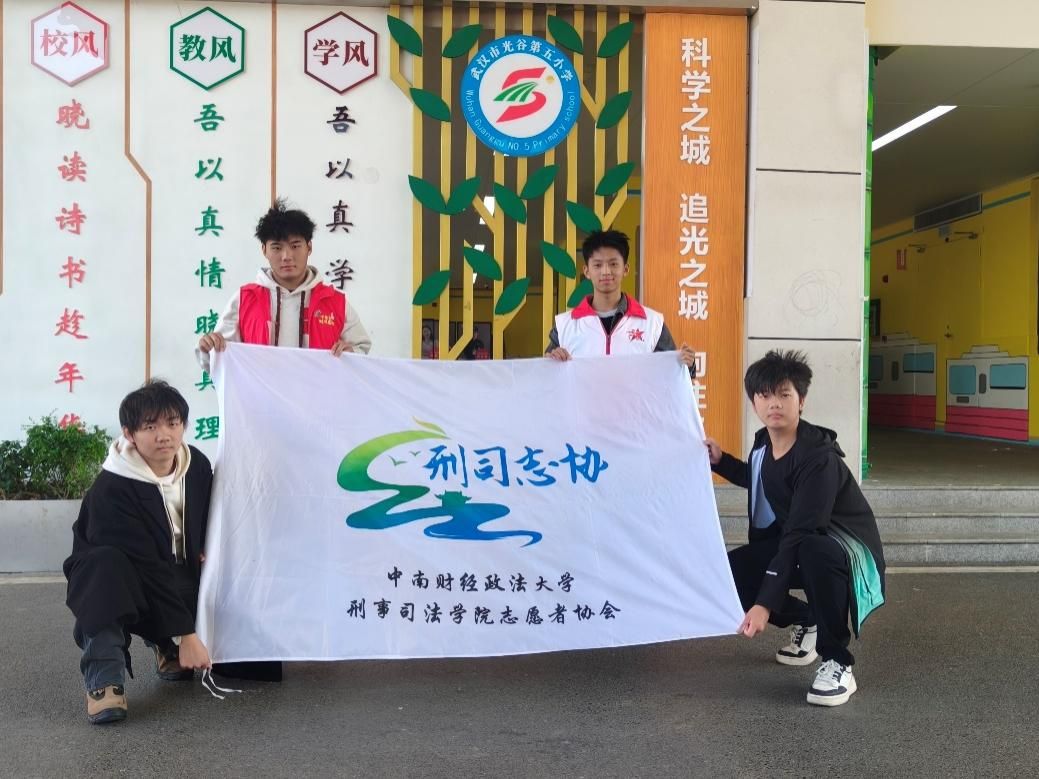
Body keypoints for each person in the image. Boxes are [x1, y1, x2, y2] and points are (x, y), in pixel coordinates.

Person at [706, 350, 885, 707]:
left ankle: (838, 661)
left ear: (801, 401)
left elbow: (803, 532)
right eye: (765, 395)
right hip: (798, 542)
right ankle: (808, 620)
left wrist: (764, 604)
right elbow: (761, 478)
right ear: (754, 403)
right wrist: (721, 461)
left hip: (842, 551)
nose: (774, 403)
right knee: (733, 574)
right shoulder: (764, 442)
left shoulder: (818, 458)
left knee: (813, 550)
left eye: (784, 394)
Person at [63, 381, 213, 724]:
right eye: (150, 427)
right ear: (129, 434)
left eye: (173, 423)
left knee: (210, 572)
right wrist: (187, 634)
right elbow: (147, 566)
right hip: (121, 581)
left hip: (176, 572)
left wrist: (206, 548)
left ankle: (165, 643)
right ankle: (104, 679)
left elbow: (211, 517)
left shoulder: (197, 467)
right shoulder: (113, 487)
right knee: (104, 573)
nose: (164, 435)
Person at [196, 198, 372, 372]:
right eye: (277, 248)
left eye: (295, 246)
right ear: (264, 250)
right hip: (260, 392)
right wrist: (208, 348)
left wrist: (352, 353)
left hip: (318, 391)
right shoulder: (244, 299)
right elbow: (218, 359)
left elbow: (362, 349)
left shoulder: (335, 302)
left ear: (309, 247)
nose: (286, 256)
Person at [545, 229, 696, 373]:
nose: (606, 271)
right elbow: (547, 377)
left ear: (626, 269)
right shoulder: (565, 326)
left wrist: (687, 365)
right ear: (587, 271)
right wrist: (551, 362)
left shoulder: (652, 323)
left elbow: (672, 374)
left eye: (613, 264)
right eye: (597, 265)